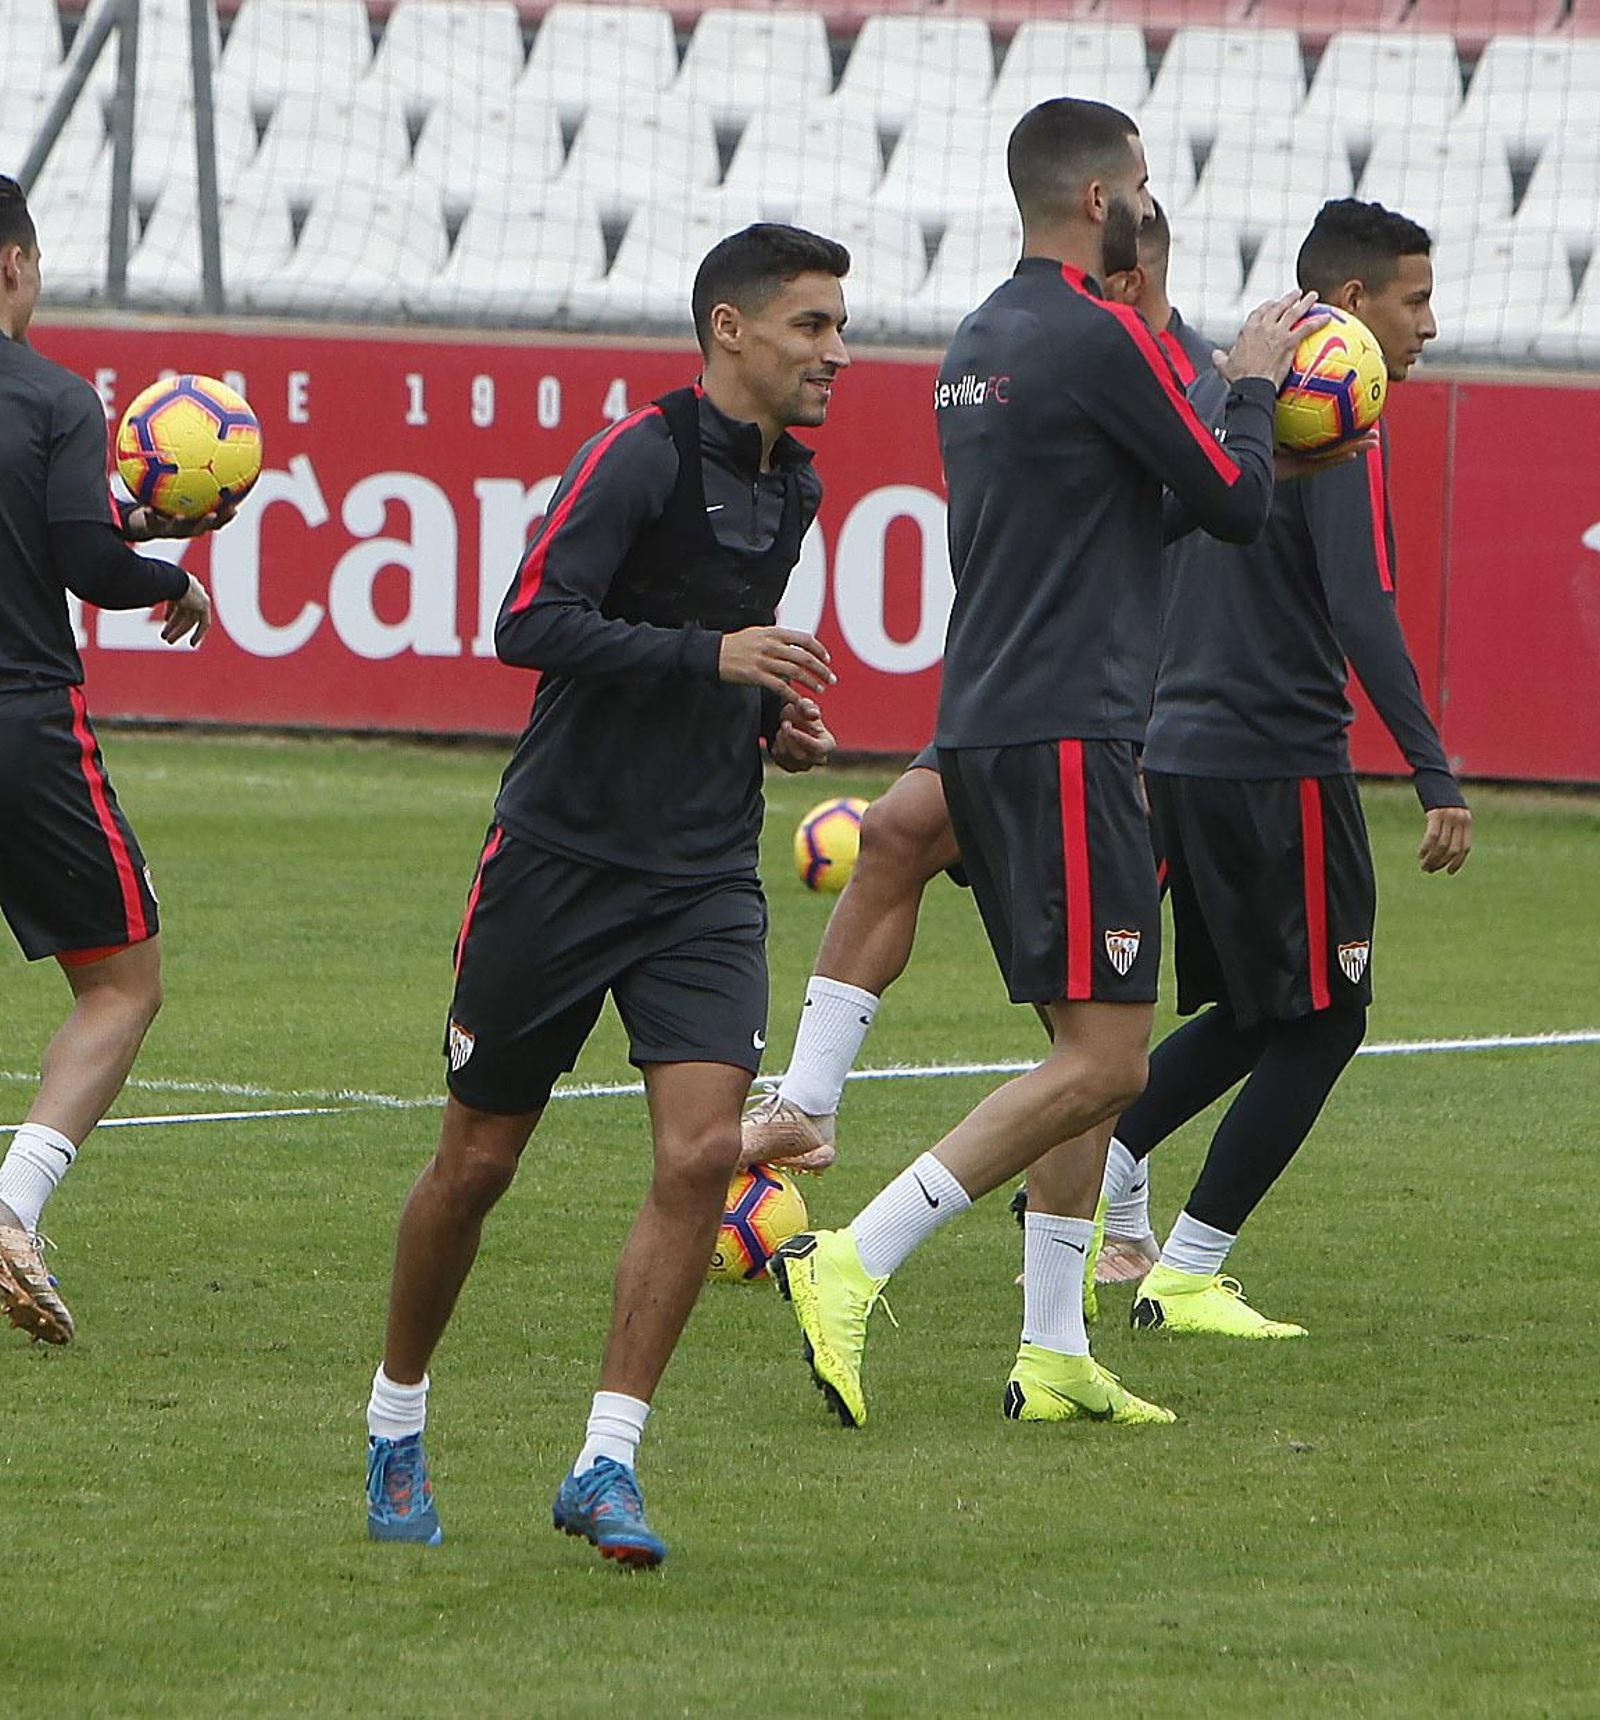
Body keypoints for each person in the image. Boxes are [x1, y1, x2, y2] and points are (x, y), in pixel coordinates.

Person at [771, 99, 1332, 1433]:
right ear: (1101, 202)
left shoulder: (984, 338)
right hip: (1074, 730)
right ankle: (854, 1260)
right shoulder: (1099, 338)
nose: (1149, 199)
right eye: (1141, 182)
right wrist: (1253, 383)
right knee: (1107, 1063)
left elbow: (1108, 504)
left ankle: (1053, 1345)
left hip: (993, 713)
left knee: (1079, 1042)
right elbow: (1235, 502)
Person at [362, 224, 849, 1567]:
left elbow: (714, 668)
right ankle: (396, 1422)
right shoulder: (641, 453)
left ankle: (606, 1463)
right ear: (730, 330)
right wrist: (715, 658)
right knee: (477, 1166)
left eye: (838, 327)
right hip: (560, 862)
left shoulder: (794, 485)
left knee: (700, 1156)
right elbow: (528, 620)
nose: (835, 353)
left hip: (702, 873)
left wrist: (761, 720)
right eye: (811, 326)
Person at [739, 203, 1208, 1212]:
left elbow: (1216, 500)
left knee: (1092, 1048)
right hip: (1020, 698)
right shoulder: (1058, 345)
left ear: (1138, 275)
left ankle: (1104, 1243)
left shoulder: (1161, 365)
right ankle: (807, 1103)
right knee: (900, 829)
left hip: (1116, 718)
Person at [1107, 197, 1471, 1338]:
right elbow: (1362, 611)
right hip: (1277, 761)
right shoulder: (1336, 424)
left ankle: (1096, 1163)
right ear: (1350, 306)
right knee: (1326, 1020)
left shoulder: (1228, 396)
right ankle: (1188, 1269)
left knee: (1254, 1015)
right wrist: (1435, 774)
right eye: (1413, 300)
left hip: (1181, 755)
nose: (1429, 325)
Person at [0, 174, 215, 1346]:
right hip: (21, 724)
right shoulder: (52, 398)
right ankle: (12, 1205)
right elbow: (82, 559)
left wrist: (115, 521)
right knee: (122, 981)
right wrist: (171, 576)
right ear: (14, 267)